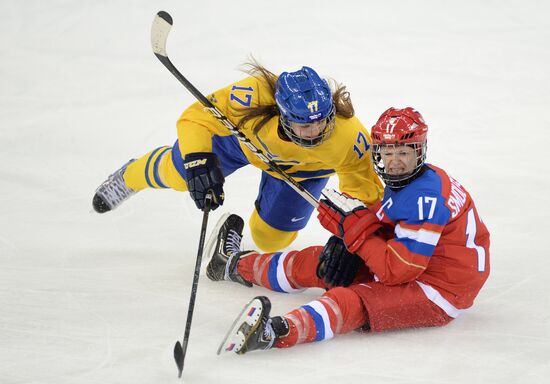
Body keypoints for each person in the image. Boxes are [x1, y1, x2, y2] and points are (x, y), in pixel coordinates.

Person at [207, 107, 490, 354]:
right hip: (416, 261)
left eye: (403, 152)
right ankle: (230, 264)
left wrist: (358, 232)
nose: (394, 161)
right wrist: (350, 237)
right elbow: (393, 228)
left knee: (350, 300)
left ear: (419, 151)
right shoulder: (409, 180)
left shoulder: (426, 198)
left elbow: (399, 270)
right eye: (387, 152)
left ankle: (275, 332)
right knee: (321, 262)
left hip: (438, 291)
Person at [92, 62, 383, 252]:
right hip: (241, 144)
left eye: (323, 121)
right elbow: (195, 117)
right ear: (282, 113)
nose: (315, 131)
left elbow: (364, 192)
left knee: (270, 240)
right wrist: (197, 161)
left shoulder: (350, 137)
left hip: (303, 171)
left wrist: (352, 239)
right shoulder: (252, 95)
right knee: (180, 174)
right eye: (305, 124)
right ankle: (130, 176)